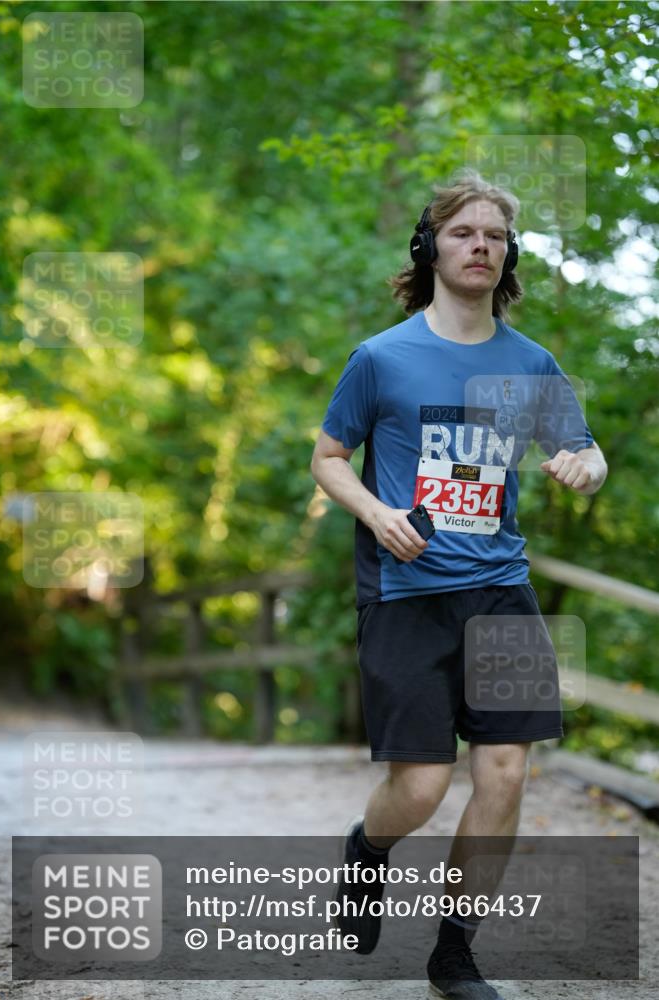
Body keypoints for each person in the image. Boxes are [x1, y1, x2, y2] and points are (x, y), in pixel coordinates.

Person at [310, 171, 607, 1000]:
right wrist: (375, 513)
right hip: (407, 592)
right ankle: (366, 852)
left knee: (505, 772)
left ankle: (455, 951)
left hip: (499, 588)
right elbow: (327, 459)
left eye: (494, 236)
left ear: (507, 256)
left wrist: (585, 464)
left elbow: (585, 448)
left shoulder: (529, 362)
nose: (479, 246)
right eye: (462, 233)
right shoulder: (382, 357)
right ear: (430, 247)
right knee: (421, 785)